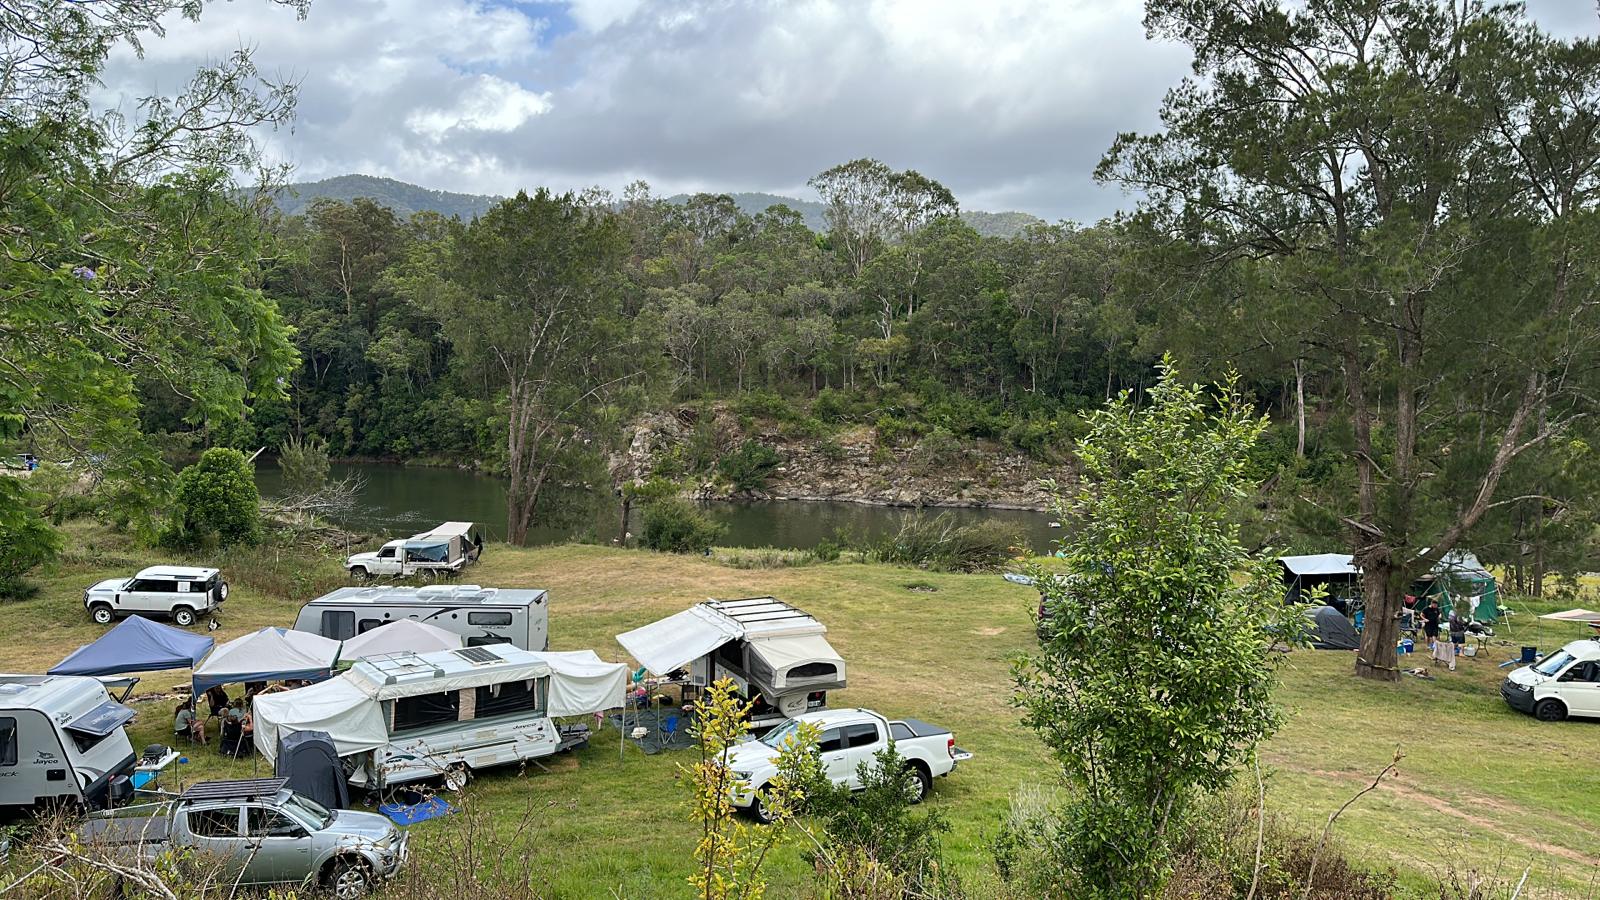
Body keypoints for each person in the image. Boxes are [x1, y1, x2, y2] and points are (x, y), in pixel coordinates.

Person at [1448, 599, 1470, 672]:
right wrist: (1465, 624)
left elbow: (1450, 620)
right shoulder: (1458, 614)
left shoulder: (1450, 612)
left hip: (1452, 630)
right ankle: (1461, 653)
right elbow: (1459, 622)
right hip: (1458, 630)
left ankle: (1451, 652)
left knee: (1454, 642)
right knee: (1461, 642)